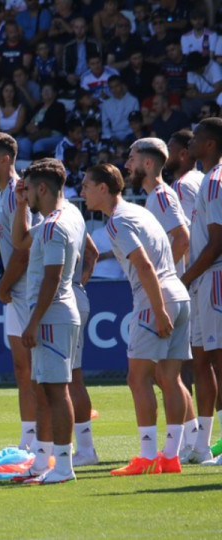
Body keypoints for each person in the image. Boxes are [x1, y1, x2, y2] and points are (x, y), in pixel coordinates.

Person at [82, 163, 191, 475]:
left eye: (87, 186)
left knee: (137, 378)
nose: (83, 192)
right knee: (171, 379)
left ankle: (146, 456)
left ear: (103, 188)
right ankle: (170, 457)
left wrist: (158, 311)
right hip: (178, 295)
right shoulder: (139, 211)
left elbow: (144, 267)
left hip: (155, 300)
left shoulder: (117, 220)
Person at [8, 158, 82, 485]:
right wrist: (21, 205)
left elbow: (52, 278)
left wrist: (33, 321)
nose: (26, 193)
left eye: (29, 189)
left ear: (42, 188)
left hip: (52, 317)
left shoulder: (54, 226)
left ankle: (64, 466)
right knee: (43, 390)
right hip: (55, 314)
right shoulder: (67, 216)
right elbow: (21, 242)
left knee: (56, 390)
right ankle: (41, 462)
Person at [126, 138, 201, 460]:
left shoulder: (160, 196)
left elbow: (182, 238)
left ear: (147, 163)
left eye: (131, 158)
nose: (126, 164)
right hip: (173, 292)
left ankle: (184, 444)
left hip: (167, 294)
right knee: (167, 376)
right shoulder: (155, 198)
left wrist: (163, 279)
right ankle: (191, 443)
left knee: (157, 376)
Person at [0, 132, 40, 451]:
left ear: (5, 159)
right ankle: (28, 439)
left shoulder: (21, 192)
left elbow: (24, 249)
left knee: (41, 370)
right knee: (21, 368)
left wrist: (3, 286)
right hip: (17, 294)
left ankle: (54, 439)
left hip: (31, 293)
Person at [179, 118, 222, 466]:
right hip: (203, 279)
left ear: (209, 145)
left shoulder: (217, 180)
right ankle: (203, 444)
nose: (189, 144)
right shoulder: (208, 180)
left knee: (219, 360)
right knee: (202, 360)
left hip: (214, 277)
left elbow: (217, 243)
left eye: (195, 139)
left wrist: (186, 276)